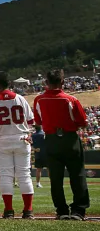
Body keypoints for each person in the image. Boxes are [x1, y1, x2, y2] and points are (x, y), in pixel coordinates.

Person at [33, 69, 90, 220]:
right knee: (77, 175)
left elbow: (38, 121)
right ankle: (79, 210)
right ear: (63, 82)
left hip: (51, 140)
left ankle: (61, 210)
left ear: (46, 82)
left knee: (56, 178)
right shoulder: (71, 99)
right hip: (70, 139)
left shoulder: (39, 99)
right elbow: (83, 122)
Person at [0, 71, 35, 219]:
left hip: (2, 139)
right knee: (24, 175)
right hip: (21, 138)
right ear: (10, 83)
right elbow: (31, 121)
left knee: (6, 175)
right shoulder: (20, 98)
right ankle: (28, 210)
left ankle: (9, 210)